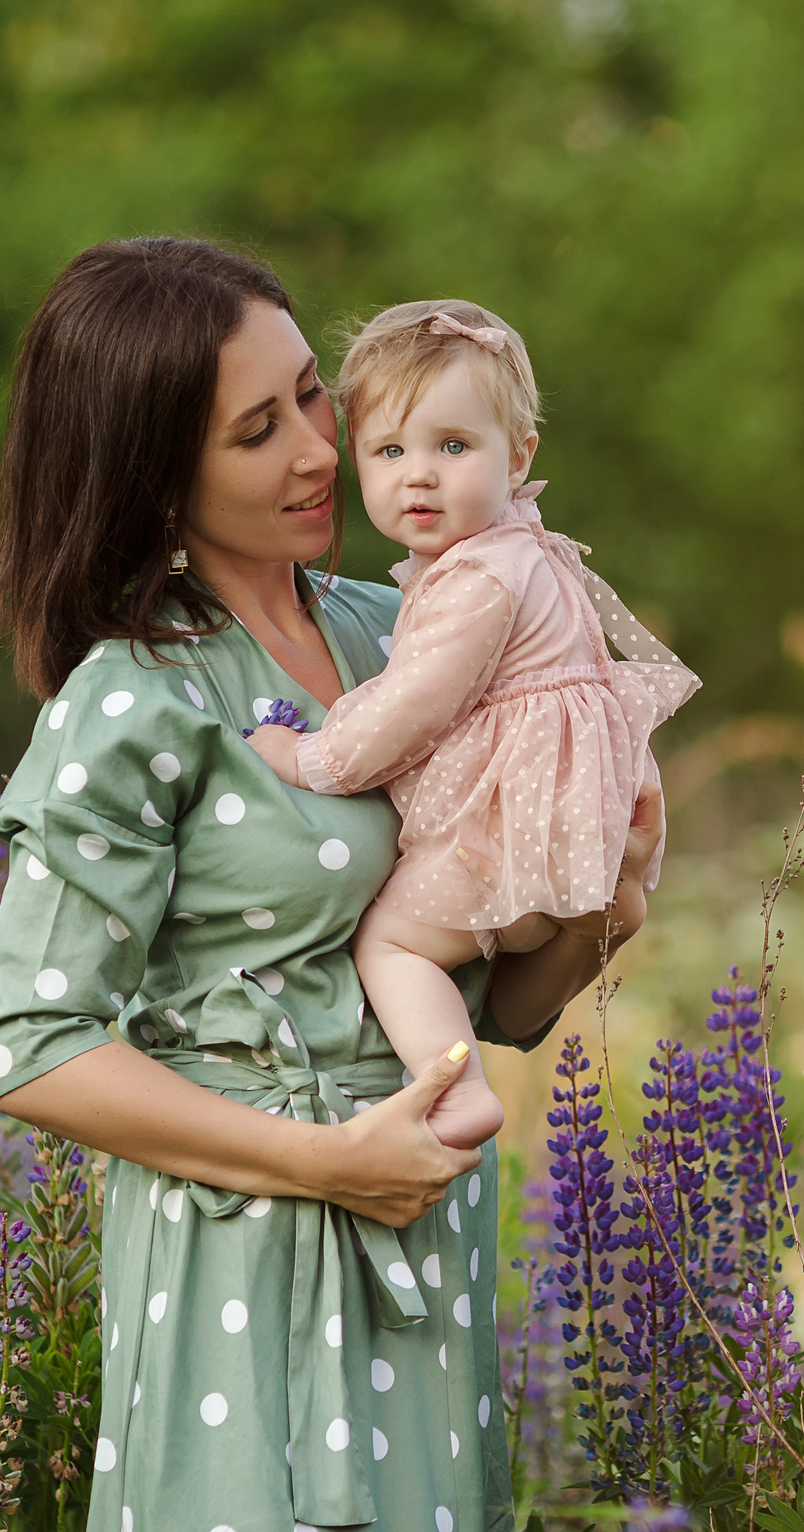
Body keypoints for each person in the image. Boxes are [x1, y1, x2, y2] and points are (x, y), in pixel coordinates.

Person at [0, 238, 658, 1532]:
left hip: (421, 1242)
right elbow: (28, 1042)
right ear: (158, 473)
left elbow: (487, 1000)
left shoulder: (394, 621)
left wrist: (590, 912)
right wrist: (324, 1159)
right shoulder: (134, 691)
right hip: (247, 1248)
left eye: (312, 400)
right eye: (256, 427)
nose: (319, 451)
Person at [243, 301, 696, 1139]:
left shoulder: (477, 580)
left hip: (509, 845)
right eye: (389, 450)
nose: (418, 474)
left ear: (519, 455)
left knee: (394, 947)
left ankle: (452, 1089)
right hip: (561, 843)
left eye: (452, 447)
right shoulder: (522, 551)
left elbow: (410, 705)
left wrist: (314, 758)